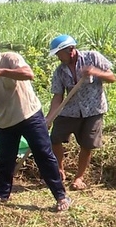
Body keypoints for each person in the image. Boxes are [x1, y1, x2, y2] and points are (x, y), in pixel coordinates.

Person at [0, 38, 72, 211]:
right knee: (4, 159)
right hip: (5, 122)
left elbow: (28, 73)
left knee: (44, 155)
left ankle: (61, 196)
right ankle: (2, 194)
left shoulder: (11, 58)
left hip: (29, 115)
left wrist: (1, 72)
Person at [45, 34, 115, 190]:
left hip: (93, 110)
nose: (58, 57)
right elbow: (57, 96)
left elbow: (111, 77)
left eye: (59, 53)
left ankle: (79, 178)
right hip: (70, 110)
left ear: (70, 50)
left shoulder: (92, 57)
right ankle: (59, 170)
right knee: (55, 138)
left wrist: (95, 72)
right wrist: (49, 118)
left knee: (87, 144)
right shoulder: (60, 71)